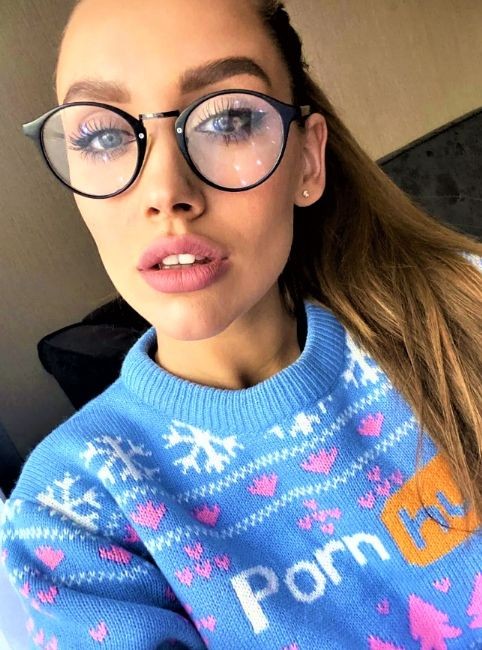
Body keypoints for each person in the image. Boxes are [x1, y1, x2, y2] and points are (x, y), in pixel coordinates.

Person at [1, 0, 481, 648]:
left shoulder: (463, 310)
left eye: (227, 119)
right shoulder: (69, 514)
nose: (165, 192)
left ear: (307, 161)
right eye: (102, 136)